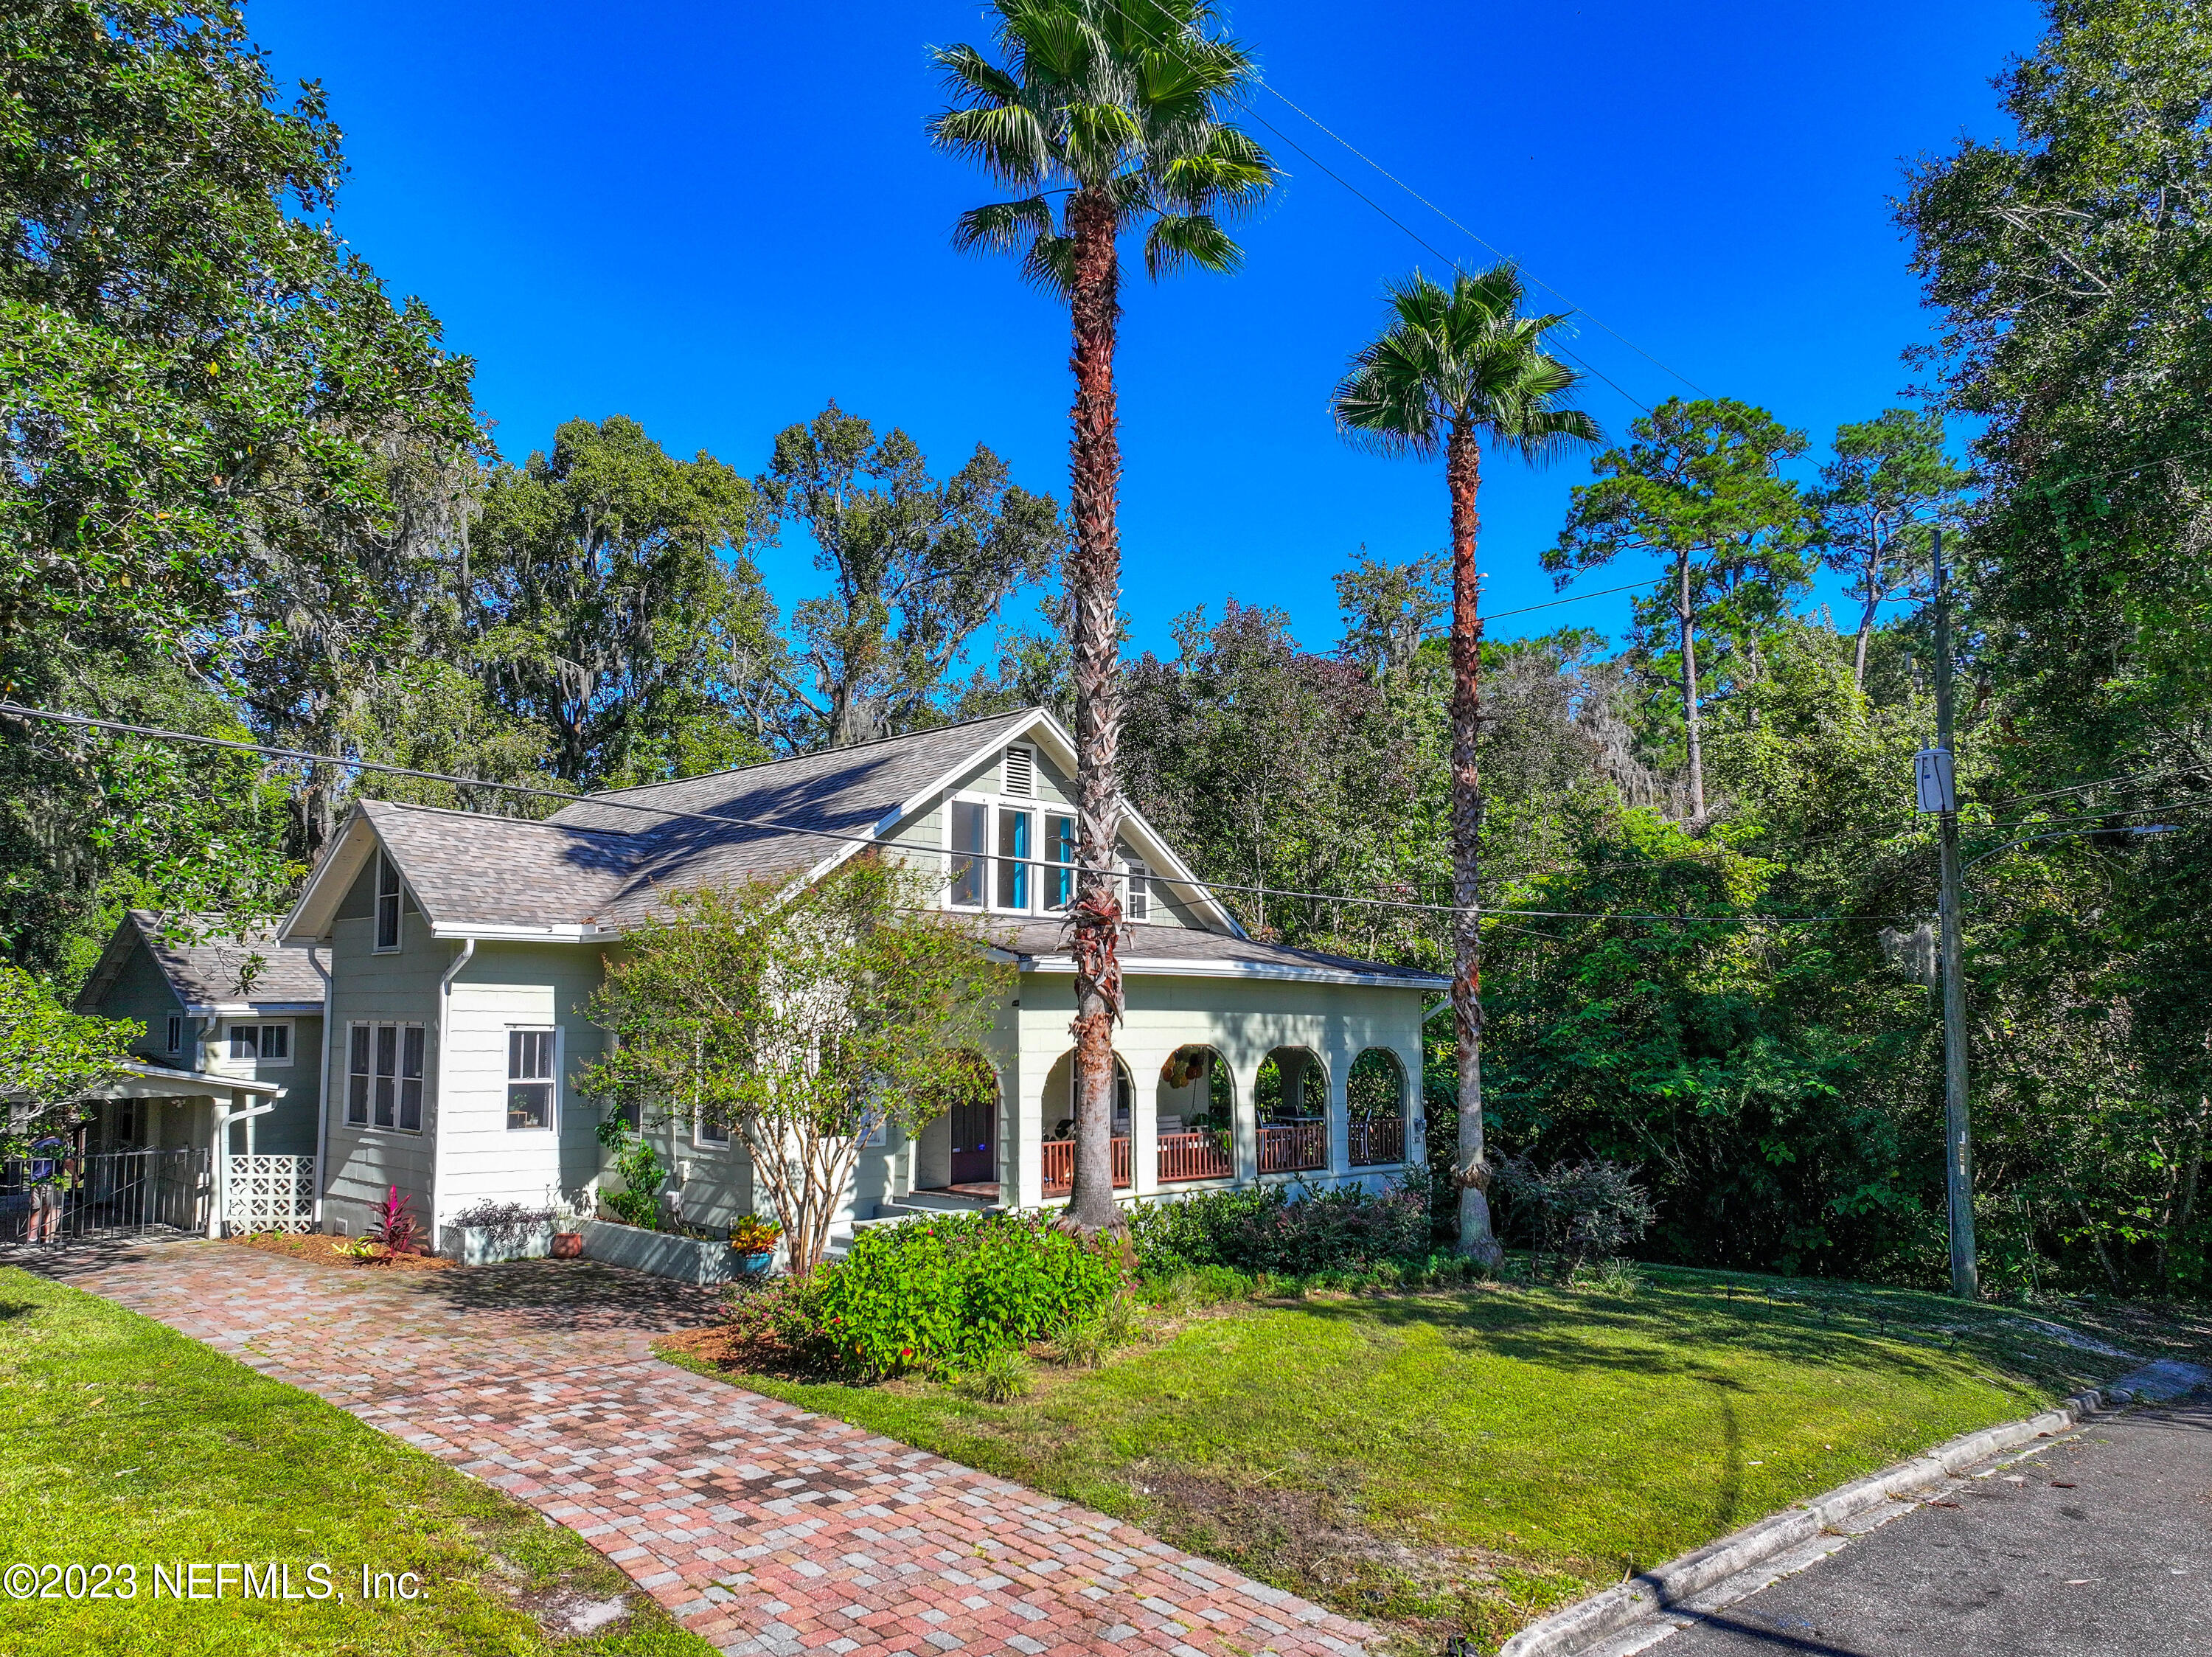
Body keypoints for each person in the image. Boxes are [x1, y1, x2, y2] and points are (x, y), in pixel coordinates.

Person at [24, 1133, 71, 1245]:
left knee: (39, 1209)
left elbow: (29, 1165)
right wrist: (75, 1175)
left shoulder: (36, 1145)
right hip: (52, 1181)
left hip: (37, 1181)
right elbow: (69, 1163)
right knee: (55, 1210)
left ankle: (32, 1238)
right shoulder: (60, 1144)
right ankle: (49, 1240)